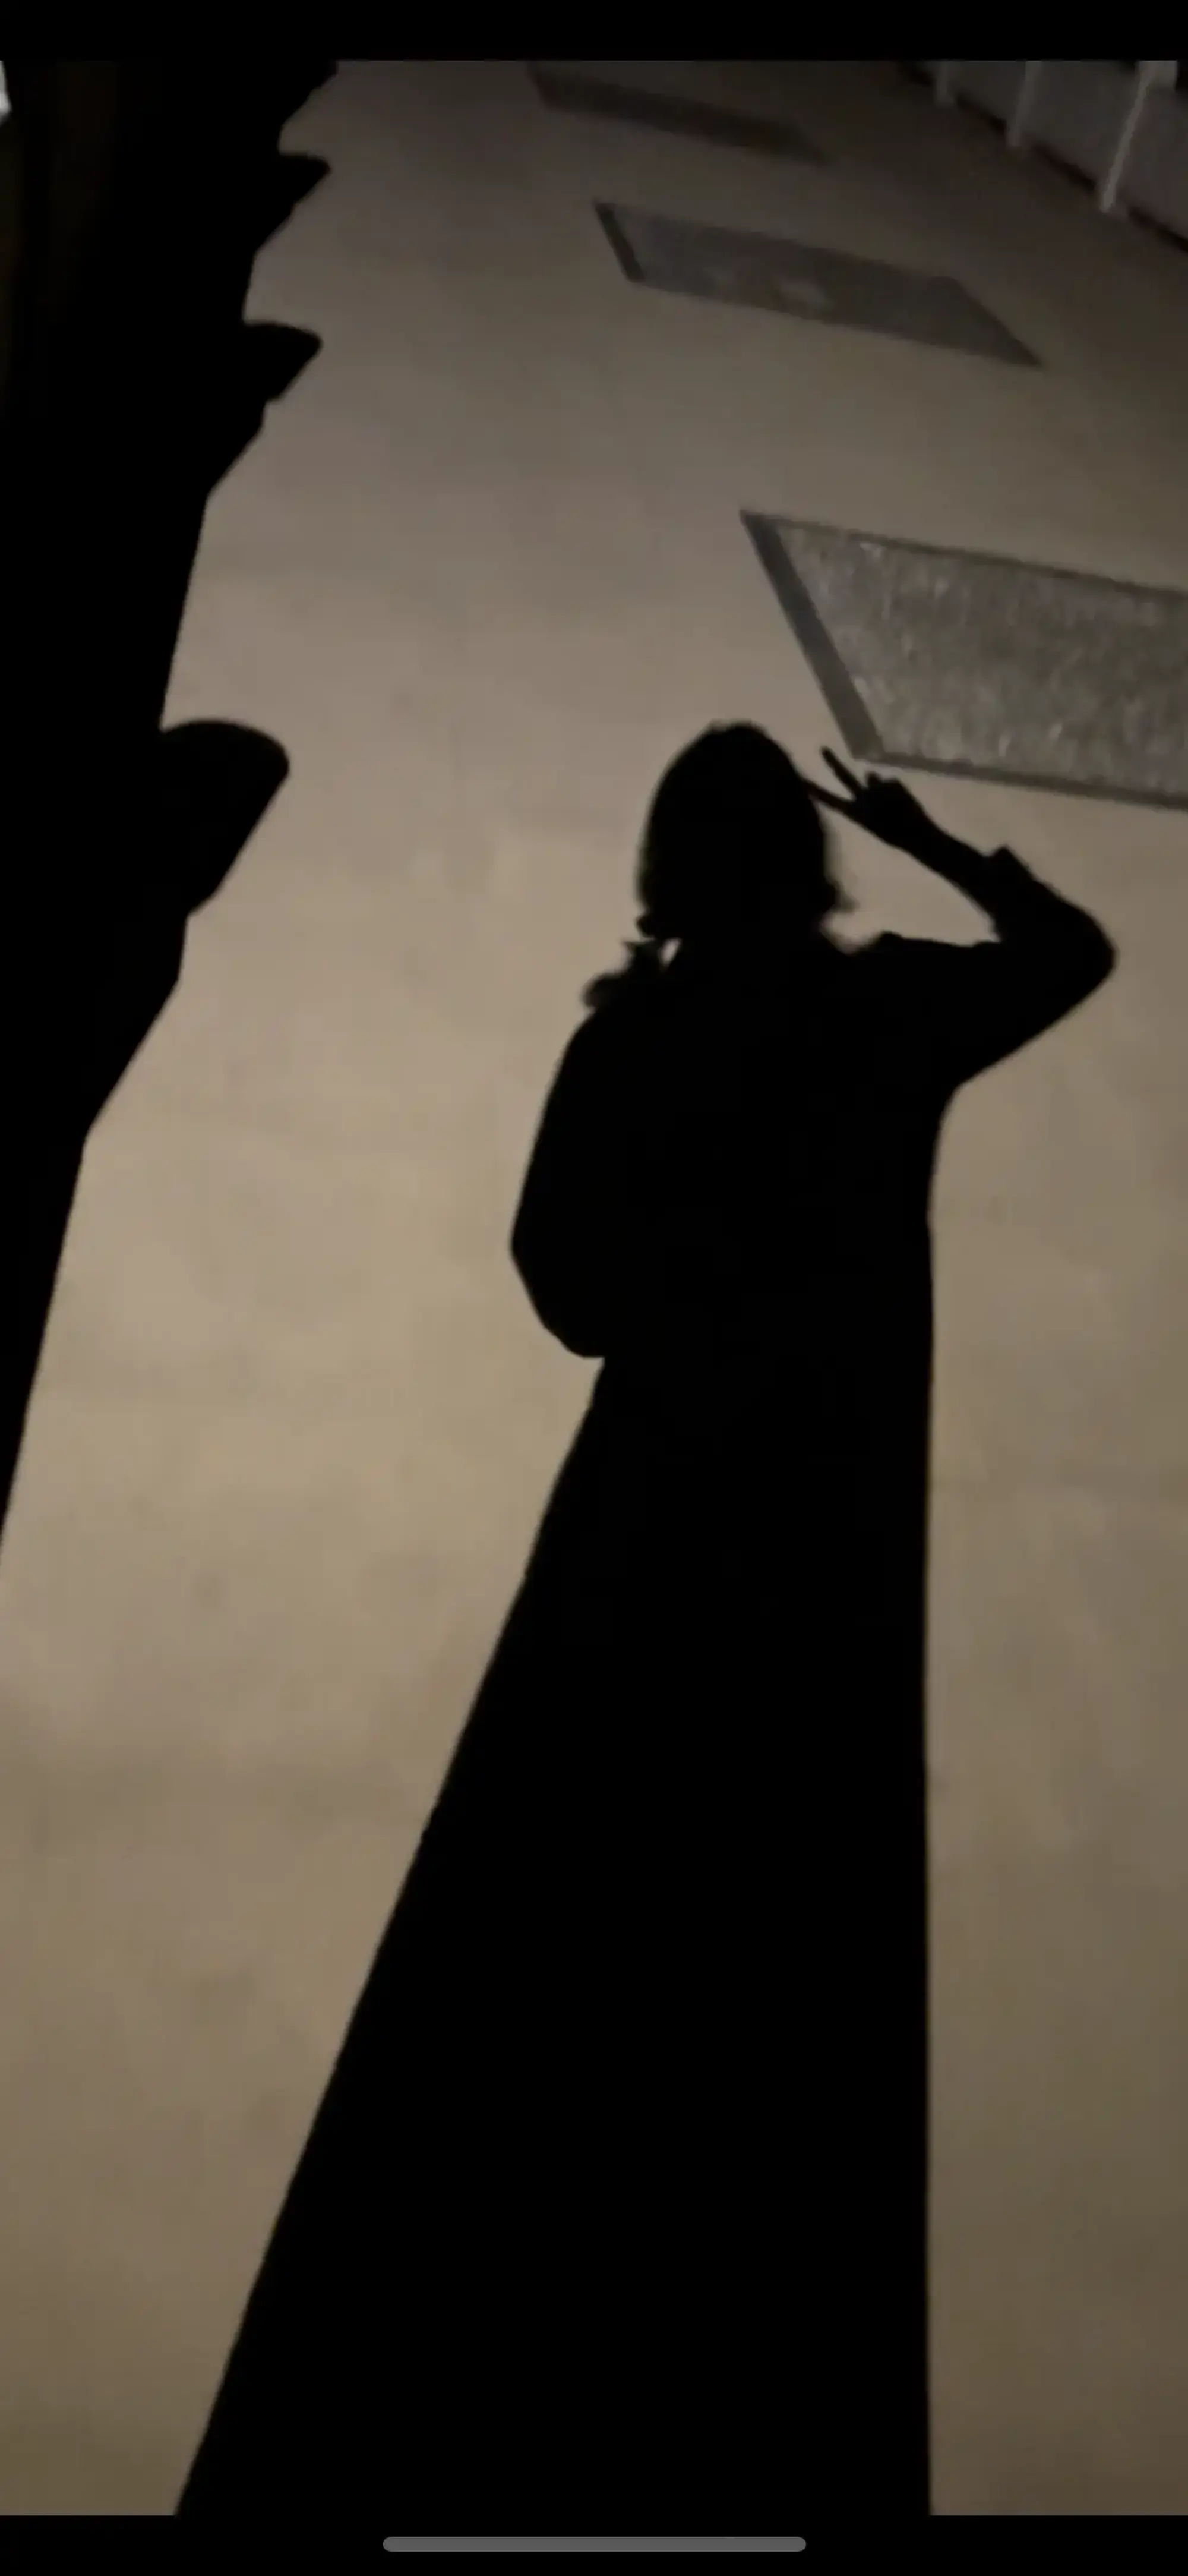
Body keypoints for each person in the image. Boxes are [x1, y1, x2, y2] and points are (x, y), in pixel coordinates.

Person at [177, 726, 1114, 2542]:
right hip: (820, 1544)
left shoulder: (646, 1040)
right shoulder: (885, 1015)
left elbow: (567, 1283)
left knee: (546, 1931)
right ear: (801, 860)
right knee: (785, 1987)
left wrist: (691, 1267)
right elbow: (1070, 955)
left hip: (652, 1521)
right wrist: (940, 846)